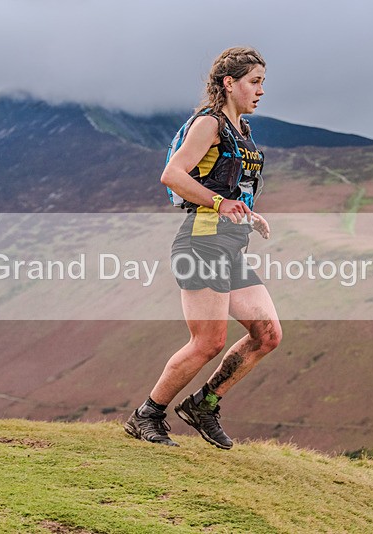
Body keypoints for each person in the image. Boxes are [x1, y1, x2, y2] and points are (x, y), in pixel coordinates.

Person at [124, 46, 282, 450]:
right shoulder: (208, 124)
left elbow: (228, 187)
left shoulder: (241, 132)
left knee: (267, 334)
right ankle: (147, 415)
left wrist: (248, 212)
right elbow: (172, 175)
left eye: (263, 82)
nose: (261, 90)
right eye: (255, 82)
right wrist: (219, 204)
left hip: (229, 246)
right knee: (208, 342)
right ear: (229, 83)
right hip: (202, 243)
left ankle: (204, 405)